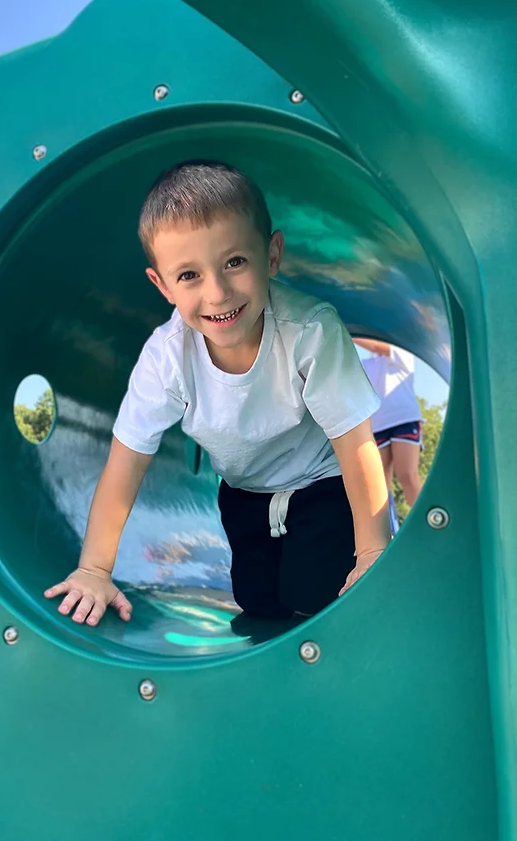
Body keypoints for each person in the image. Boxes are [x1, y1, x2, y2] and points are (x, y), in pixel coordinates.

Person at [45, 161, 390, 627]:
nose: (218, 292)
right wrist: (94, 569)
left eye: (235, 262)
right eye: (189, 275)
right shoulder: (167, 357)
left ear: (271, 255)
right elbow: (124, 466)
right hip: (244, 493)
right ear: (162, 285)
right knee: (259, 605)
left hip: (321, 485)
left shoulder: (309, 330)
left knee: (313, 594)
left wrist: (372, 552)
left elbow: (355, 442)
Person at [354, 339, 423, 507]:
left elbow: (376, 346)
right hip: (378, 424)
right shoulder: (368, 363)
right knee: (379, 484)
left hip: (404, 419)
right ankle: (384, 530)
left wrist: (349, 332)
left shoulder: (402, 351)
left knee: (407, 474)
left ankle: (424, 524)